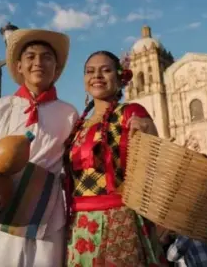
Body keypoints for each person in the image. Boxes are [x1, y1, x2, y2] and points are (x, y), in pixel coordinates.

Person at [0, 29, 78, 266]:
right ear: (19, 66)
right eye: (30, 56)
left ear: (57, 68)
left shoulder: (69, 114)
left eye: (46, 57)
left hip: (46, 221)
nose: (38, 62)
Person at [64, 50, 167, 266]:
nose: (97, 76)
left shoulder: (131, 112)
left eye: (106, 70)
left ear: (120, 77)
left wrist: (143, 132)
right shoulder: (78, 126)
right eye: (90, 71)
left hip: (119, 220)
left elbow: (155, 157)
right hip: (79, 225)